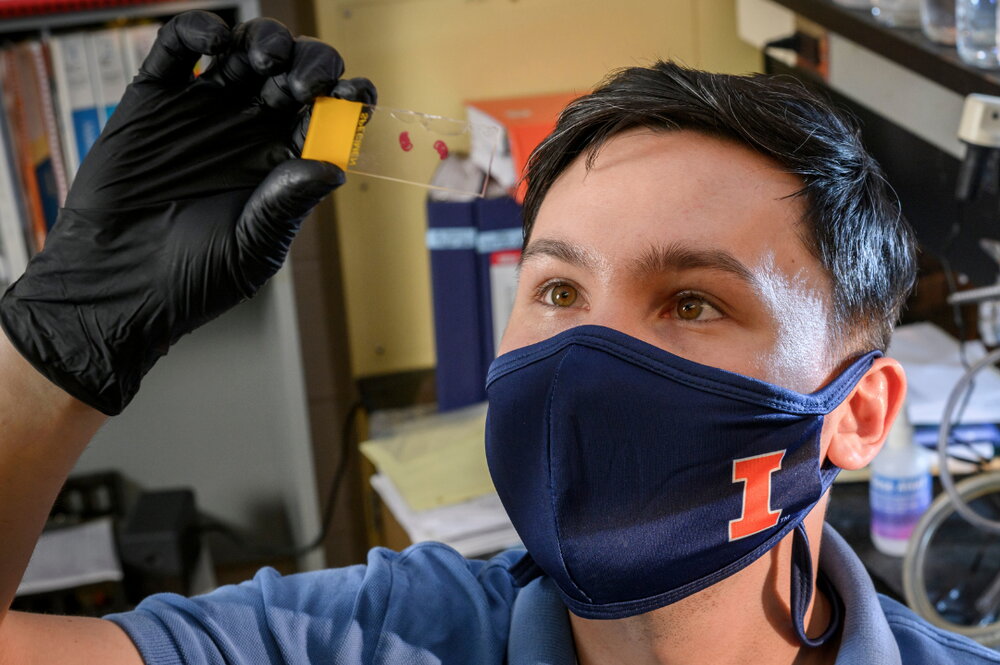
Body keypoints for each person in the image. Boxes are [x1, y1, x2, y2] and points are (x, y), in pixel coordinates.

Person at [0, 10, 997, 665]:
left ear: (857, 411)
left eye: (692, 301)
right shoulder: (357, 639)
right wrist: (60, 350)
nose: (584, 355)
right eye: (557, 289)